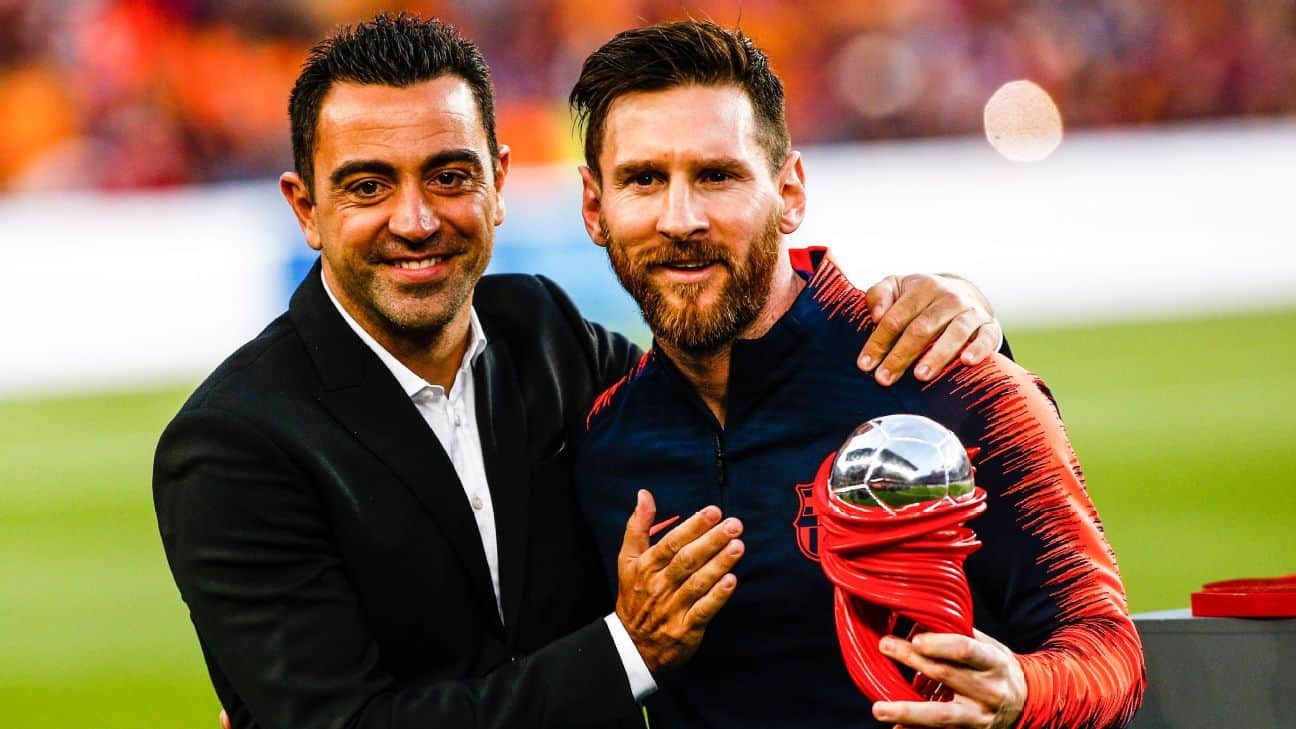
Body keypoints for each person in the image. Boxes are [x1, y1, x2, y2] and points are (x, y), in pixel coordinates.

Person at [154, 13, 1005, 729]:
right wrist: (629, 649)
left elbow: (738, 410)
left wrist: (959, 312)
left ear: (499, 184)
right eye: (368, 186)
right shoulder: (232, 446)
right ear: (306, 207)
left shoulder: (543, 334)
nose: (415, 220)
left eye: (448, 176)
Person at [571, 20, 1145, 729]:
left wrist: (1023, 691)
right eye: (644, 180)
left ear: (790, 193)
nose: (680, 218)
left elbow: (1110, 652)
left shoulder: (956, 383)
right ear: (595, 207)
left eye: (717, 176)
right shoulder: (604, 442)